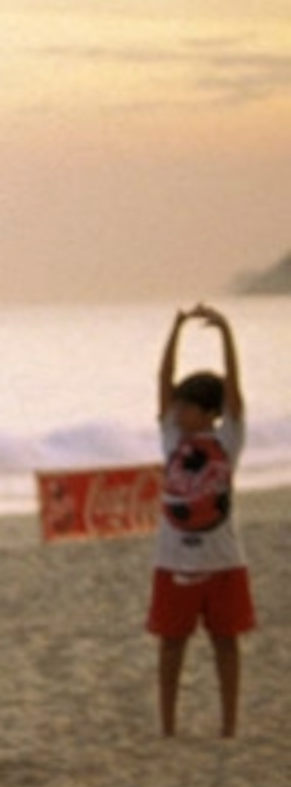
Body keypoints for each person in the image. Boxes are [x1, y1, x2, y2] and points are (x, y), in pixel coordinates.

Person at [150, 305, 253, 738]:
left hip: (223, 561)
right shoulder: (173, 438)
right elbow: (162, 383)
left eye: (188, 407)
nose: (178, 413)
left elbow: (235, 393)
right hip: (174, 563)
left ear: (209, 413)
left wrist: (226, 333)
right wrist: (174, 330)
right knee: (171, 646)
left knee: (225, 644)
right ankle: (168, 725)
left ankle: (229, 723)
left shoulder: (225, 440)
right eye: (177, 406)